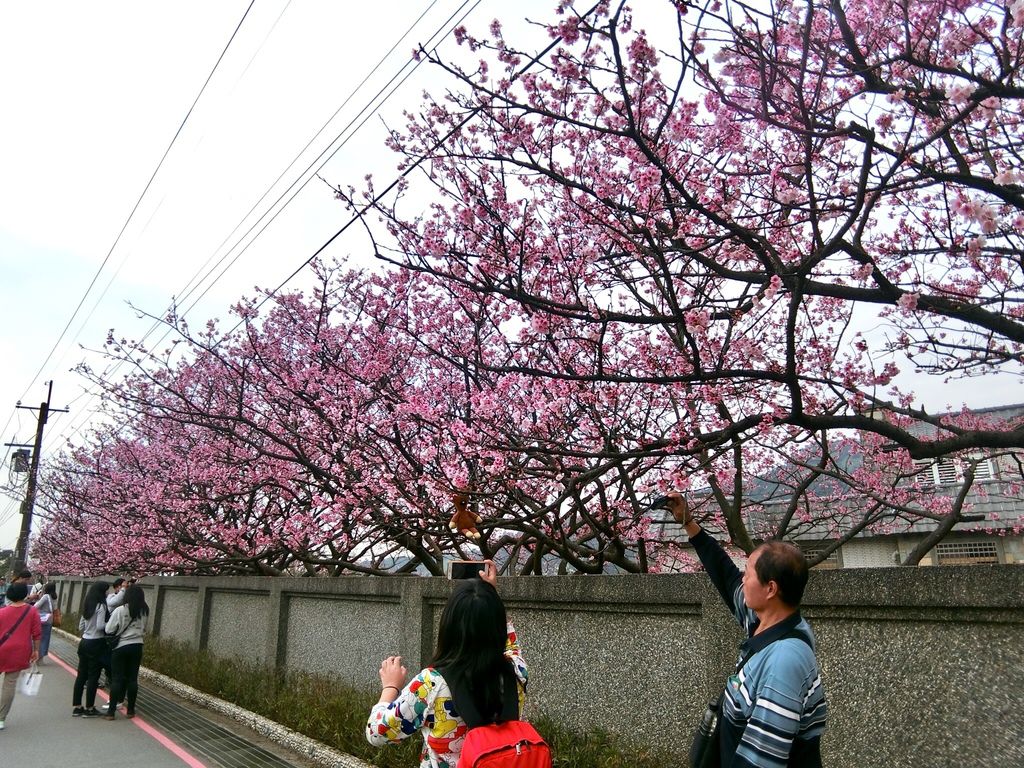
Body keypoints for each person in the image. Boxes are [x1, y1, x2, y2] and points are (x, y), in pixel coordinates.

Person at [666, 495, 827, 767]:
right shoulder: (764, 620)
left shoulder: (783, 661)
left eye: (748, 573)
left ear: (771, 589)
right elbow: (725, 575)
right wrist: (688, 522)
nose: (742, 578)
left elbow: (762, 759)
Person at [366, 560, 528, 767]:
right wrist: (490, 598)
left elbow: (376, 733)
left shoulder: (431, 683)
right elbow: (510, 644)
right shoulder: (517, 670)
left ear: (448, 626)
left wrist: (390, 686)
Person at [0, 582, 42, 731]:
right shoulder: (32, 612)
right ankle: (1, 719)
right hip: (20, 651)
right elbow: (37, 633)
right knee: (9, 684)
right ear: (25, 594)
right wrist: (36, 650)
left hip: (1, 649)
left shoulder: (2, 612)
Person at [103, 584, 148, 720]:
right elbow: (144, 628)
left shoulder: (120, 610)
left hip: (121, 647)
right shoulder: (144, 611)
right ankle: (131, 710)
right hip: (137, 645)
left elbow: (109, 630)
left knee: (117, 678)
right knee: (132, 679)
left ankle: (111, 712)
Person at [72, 581, 110, 717]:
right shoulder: (101, 605)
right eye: (106, 591)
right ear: (101, 592)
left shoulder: (87, 605)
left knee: (81, 675)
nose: (107, 593)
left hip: (84, 641)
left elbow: (81, 625)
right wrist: (110, 625)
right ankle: (89, 708)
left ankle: (77, 706)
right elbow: (100, 626)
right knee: (93, 676)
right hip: (96, 642)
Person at [33, 583, 60, 663]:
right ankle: (41, 658)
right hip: (49, 620)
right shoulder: (54, 597)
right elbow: (55, 608)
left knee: (38, 638)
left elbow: (36, 606)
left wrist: (39, 598)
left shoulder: (45, 596)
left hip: (42, 620)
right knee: (45, 639)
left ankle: (37, 656)